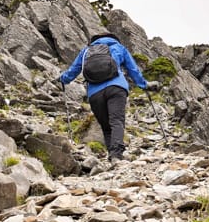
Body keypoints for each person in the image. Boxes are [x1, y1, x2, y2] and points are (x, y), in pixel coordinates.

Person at [59, 33, 153, 163]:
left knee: (106, 126)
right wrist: (144, 85)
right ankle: (116, 155)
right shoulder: (119, 48)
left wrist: (62, 79)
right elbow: (133, 70)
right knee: (117, 121)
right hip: (117, 87)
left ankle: (112, 155)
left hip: (94, 93)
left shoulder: (86, 51)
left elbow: (73, 71)